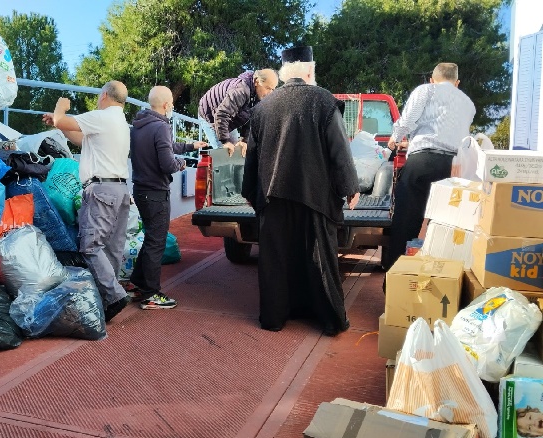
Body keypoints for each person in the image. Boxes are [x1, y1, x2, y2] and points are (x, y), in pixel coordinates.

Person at [242, 46, 359, 336]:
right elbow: (339, 150)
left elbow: (252, 156)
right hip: (315, 195)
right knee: (319, 256)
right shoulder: (323, 101)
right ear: (309, 71)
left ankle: (274, 317)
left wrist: (249, 191)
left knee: (276, 259)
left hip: (273, 196)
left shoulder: (263, 108)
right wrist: (349, 187)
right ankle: (328, 319)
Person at [42, 80, 132, 322]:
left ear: (104, 95)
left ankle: (114, 295)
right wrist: (60, 124)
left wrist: (60, 108)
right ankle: (108, 300)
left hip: (101, 190)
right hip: (120, 190)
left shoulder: (102, 117)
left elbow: (63, 119)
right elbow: (81, 139)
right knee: (112, 246)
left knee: (90, 246)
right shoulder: (119, 122)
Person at [384, 63, 476, 273]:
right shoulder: (468, 103)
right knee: (446, 226)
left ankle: (394, 281)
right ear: (457, 83)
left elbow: (407, 120)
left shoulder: (426, 90)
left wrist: (394, 139)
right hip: (453, 167)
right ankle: (444, 277)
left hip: (422, 163)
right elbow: (451, 134)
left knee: (405, 222)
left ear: (432, 80)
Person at [128, 86, 207, 310]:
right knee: (156, 242)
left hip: (141, 190)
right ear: (166, 105)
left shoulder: (139, 125)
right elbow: (167, 163)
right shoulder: (161, 126)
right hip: (155, 193)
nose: (172, 106)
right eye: (171, 102)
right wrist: (182, 163)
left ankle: (137, 283)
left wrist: (191, 146)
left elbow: (168, 146)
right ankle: (151, 294)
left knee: (151, 239)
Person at [198, 69, 278, 157]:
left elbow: (251, 120)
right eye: (267, 88)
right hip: (210, 115)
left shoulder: (259, 98)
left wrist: (244, 140)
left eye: (272, 89)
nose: (270, 93)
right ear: (256, 82)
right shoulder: (241, 91)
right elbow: (222, 114)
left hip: (226, 117)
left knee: (238, 152)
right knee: (226, 154)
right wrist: (225, 141)